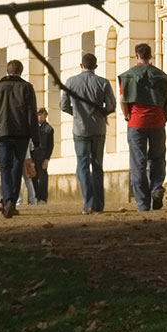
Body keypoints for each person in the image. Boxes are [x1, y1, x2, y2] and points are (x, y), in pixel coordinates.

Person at [118, 42, 167, 212]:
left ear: (136, 56)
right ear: (151, 56)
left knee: (138, 161)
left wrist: (126, 115)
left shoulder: (128, 76)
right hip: (157, 122)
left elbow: (123, 100)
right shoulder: (161, 76)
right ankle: (156, 188)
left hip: (136, 123)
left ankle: (143, 203)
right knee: (158, 158)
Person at [60, 52, 115, 213]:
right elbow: (111, 105)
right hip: (98, 128)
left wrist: (76, 114)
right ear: (95, 66)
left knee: (82, 166)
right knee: (97, 165)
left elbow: (63, 105)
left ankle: (89, 202)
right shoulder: (103, 83)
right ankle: (99, 204)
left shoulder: (71, 82)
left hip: (80, 129)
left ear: (81, 65)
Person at [0, 59, 39, 217]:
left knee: (5, 167)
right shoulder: (27, 88)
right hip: (22, 134)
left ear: (7, 71)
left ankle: (8, 199)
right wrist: (36, 138)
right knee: (16, 168)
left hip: (3, 133)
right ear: (21, 71)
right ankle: (12, 202)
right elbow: (32, 115)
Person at [29, 107, 55, 204]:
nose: (39, 117)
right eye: (37, 115)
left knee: (43, 178)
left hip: (43, 156)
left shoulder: (49, 129)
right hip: (33, 155)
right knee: (33, 178)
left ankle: (43, 198)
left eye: (41, 114)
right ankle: (34, 197)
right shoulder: (33, 128)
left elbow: (50, 145)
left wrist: (47, 158)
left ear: (45, 115)